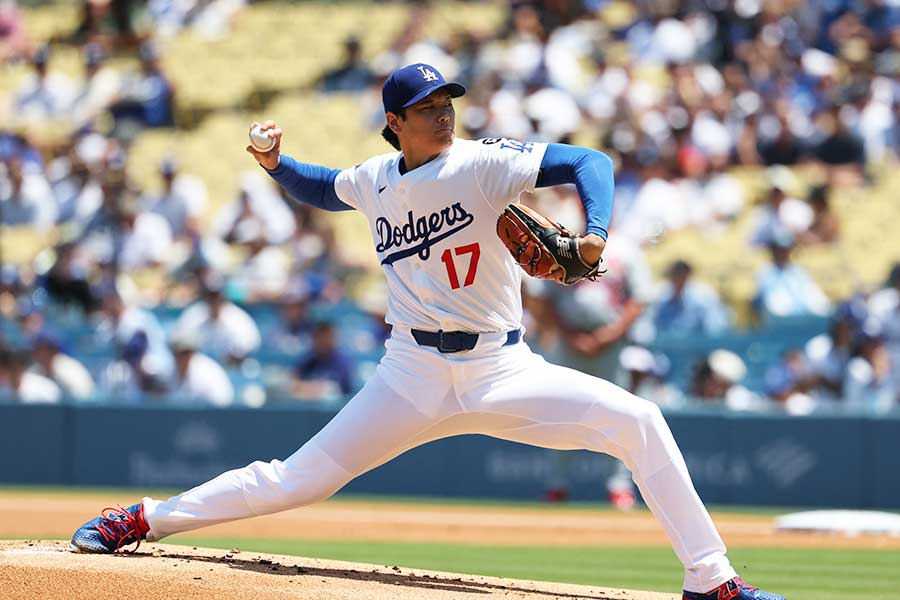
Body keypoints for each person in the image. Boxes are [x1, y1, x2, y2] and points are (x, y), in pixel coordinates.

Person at [69, 63, 784, 600]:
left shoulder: (482, 163)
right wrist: (275, 165)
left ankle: (710, 580)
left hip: (503, 370)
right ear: (395, 123)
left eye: (447, 103)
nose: (442, 114)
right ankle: (144, 519)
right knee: (297, 480)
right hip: (409, 373)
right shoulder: (377, 176)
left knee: (640, 420)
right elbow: (323, 187)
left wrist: (595, 231)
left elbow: (589, 162)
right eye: (426, 107)